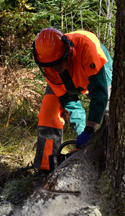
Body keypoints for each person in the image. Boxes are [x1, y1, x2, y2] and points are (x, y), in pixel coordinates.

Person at [32, 28, 113, 173]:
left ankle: (109, 160)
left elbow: (99, 93)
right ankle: (46, 168)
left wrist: (89, 129)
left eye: (59, 63)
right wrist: (83, 132)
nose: (56, 68)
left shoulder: (87, 47)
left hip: (97, 70)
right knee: (49, 110)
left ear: (67, 50)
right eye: (51, 65)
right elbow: (69, 102)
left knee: (109, 109)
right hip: (70, 79)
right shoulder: (47, 63)